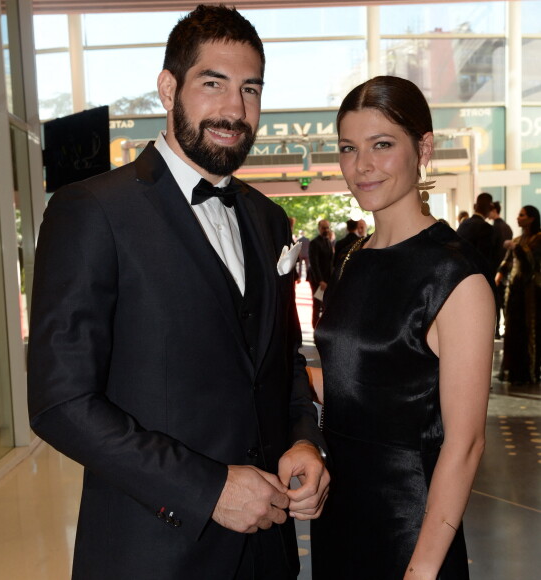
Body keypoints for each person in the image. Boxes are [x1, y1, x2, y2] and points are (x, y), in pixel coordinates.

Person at [27, 6, 329, 580]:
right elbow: (60, 404)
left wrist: (304, 442)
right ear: (169, 88)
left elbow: (279, 365)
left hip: (267, 553)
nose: (235, 110)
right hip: (151, 552)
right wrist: (207, 489)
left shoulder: (269, 220)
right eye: (212, 83)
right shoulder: (92, 211)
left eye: (250, 89)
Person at [310, 76, 495, 580]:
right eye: (349, 148)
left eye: (383, 145)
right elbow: (367, 387)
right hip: (338, 516)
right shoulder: (353, 257)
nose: (362, 165)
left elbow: (466, 442)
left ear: (424, 149)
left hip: (408, 533)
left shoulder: (454, 275)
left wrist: (423, 569)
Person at [495, 205, 541, 384]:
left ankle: (530, 371)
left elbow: (532, 263)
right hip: (514, 291)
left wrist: (517, 248)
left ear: (531, 218)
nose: (518, 218)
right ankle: (512, 371)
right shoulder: (517, 239)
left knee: (530, 330)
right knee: (513, 330)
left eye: (522, 215)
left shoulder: (538, 239)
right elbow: (505, 264)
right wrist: (495, 281)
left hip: (532, 291)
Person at [456, 192, 500, 275]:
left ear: (476, 206)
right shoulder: (486, 227)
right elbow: (484, 259)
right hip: (475, 275)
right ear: (490, 207)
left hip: (460, 272)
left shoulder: (464, 223)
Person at [489, 201, 513, 338]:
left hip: (495, 270)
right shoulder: (507, 227)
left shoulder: (493, 229)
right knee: (505, 302)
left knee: (496, 302)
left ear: (494, 211)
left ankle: (497, 330)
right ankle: (506, 329)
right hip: (506, 270)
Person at [307, 219, 334, 328]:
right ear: (319, 228)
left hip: (327, 279)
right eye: (324, 228)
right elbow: (314, 263)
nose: (326, 230)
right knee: (317, 305)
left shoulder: (328, 241)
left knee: (325, 305)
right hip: (317, 280)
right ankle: (315, 329)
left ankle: (322, 329)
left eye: (327, 227)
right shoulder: (314, 243)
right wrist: (320, 280)